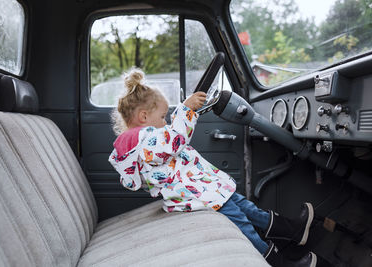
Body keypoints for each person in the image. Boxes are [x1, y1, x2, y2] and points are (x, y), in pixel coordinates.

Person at [109, 68, 317, 267]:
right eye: (163, 117)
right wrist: (186, 109)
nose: (166, 122)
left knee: (242, 204)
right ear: (144, 117)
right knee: (243, 224)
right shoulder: (143, 139)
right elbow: (175, 139)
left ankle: (290, 230)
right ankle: (276, 262)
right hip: (192, 194)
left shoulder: (143, 139)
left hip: (197, 187)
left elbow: (169, 142)